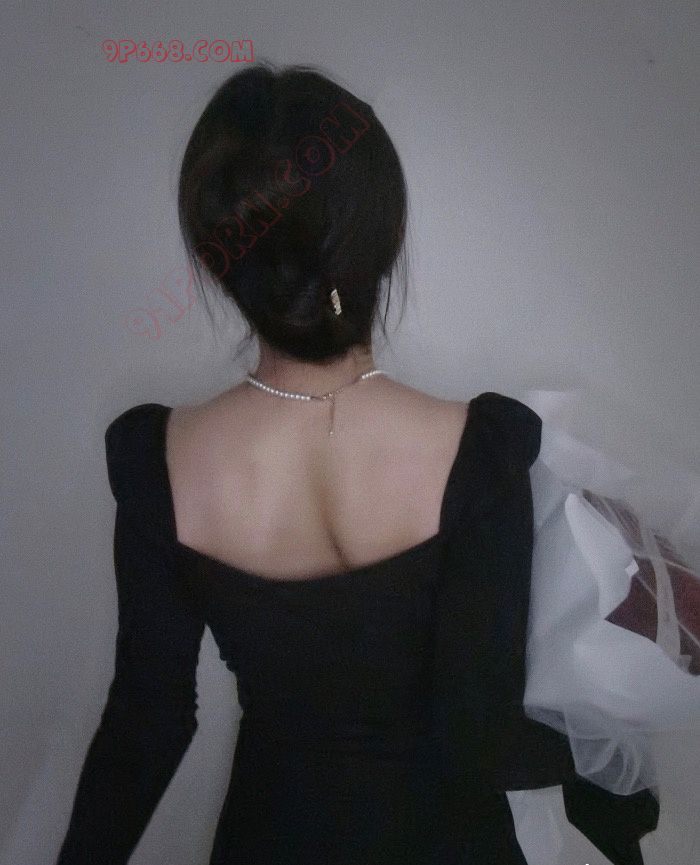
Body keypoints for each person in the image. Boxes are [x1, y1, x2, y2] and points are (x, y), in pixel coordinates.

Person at [55, 61, 696, 864]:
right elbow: (477, 736)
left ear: (222, 257)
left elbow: (147, 721)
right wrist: (610, 770)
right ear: (382, 242)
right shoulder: (482, 450)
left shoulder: (157, 459)